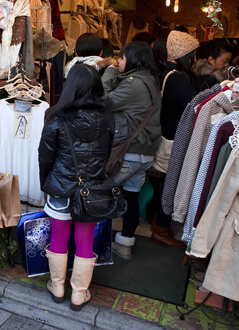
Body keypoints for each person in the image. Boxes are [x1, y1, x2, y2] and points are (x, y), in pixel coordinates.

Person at [39, 64, 114, 311]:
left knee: (59, 238)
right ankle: (79, 294)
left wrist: (46, 184)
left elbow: (45, 156)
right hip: (92, 191)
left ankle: (57, 287)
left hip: (61, 188)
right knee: (85, 242)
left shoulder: (56, 116)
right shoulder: (107, 116)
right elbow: (107, 154)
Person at [102, 42, 161, 259]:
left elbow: (104, 102)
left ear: (132, 59)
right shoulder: (151, 82)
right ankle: (125, 244)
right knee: (131, 197)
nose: (118, 61)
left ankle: (97, 243)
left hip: (127, 152)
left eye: (122, 58)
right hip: (144, 153)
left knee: (102, 196)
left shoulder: (133, 84)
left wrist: (108, 73)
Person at [148, 31, 200, 248]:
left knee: (164, 185)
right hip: (175, 140)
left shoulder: (169, 73)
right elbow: (195, 105)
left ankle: (157, 222)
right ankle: (161, 228)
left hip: (168, 135)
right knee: (171, 186)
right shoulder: (178, 78)